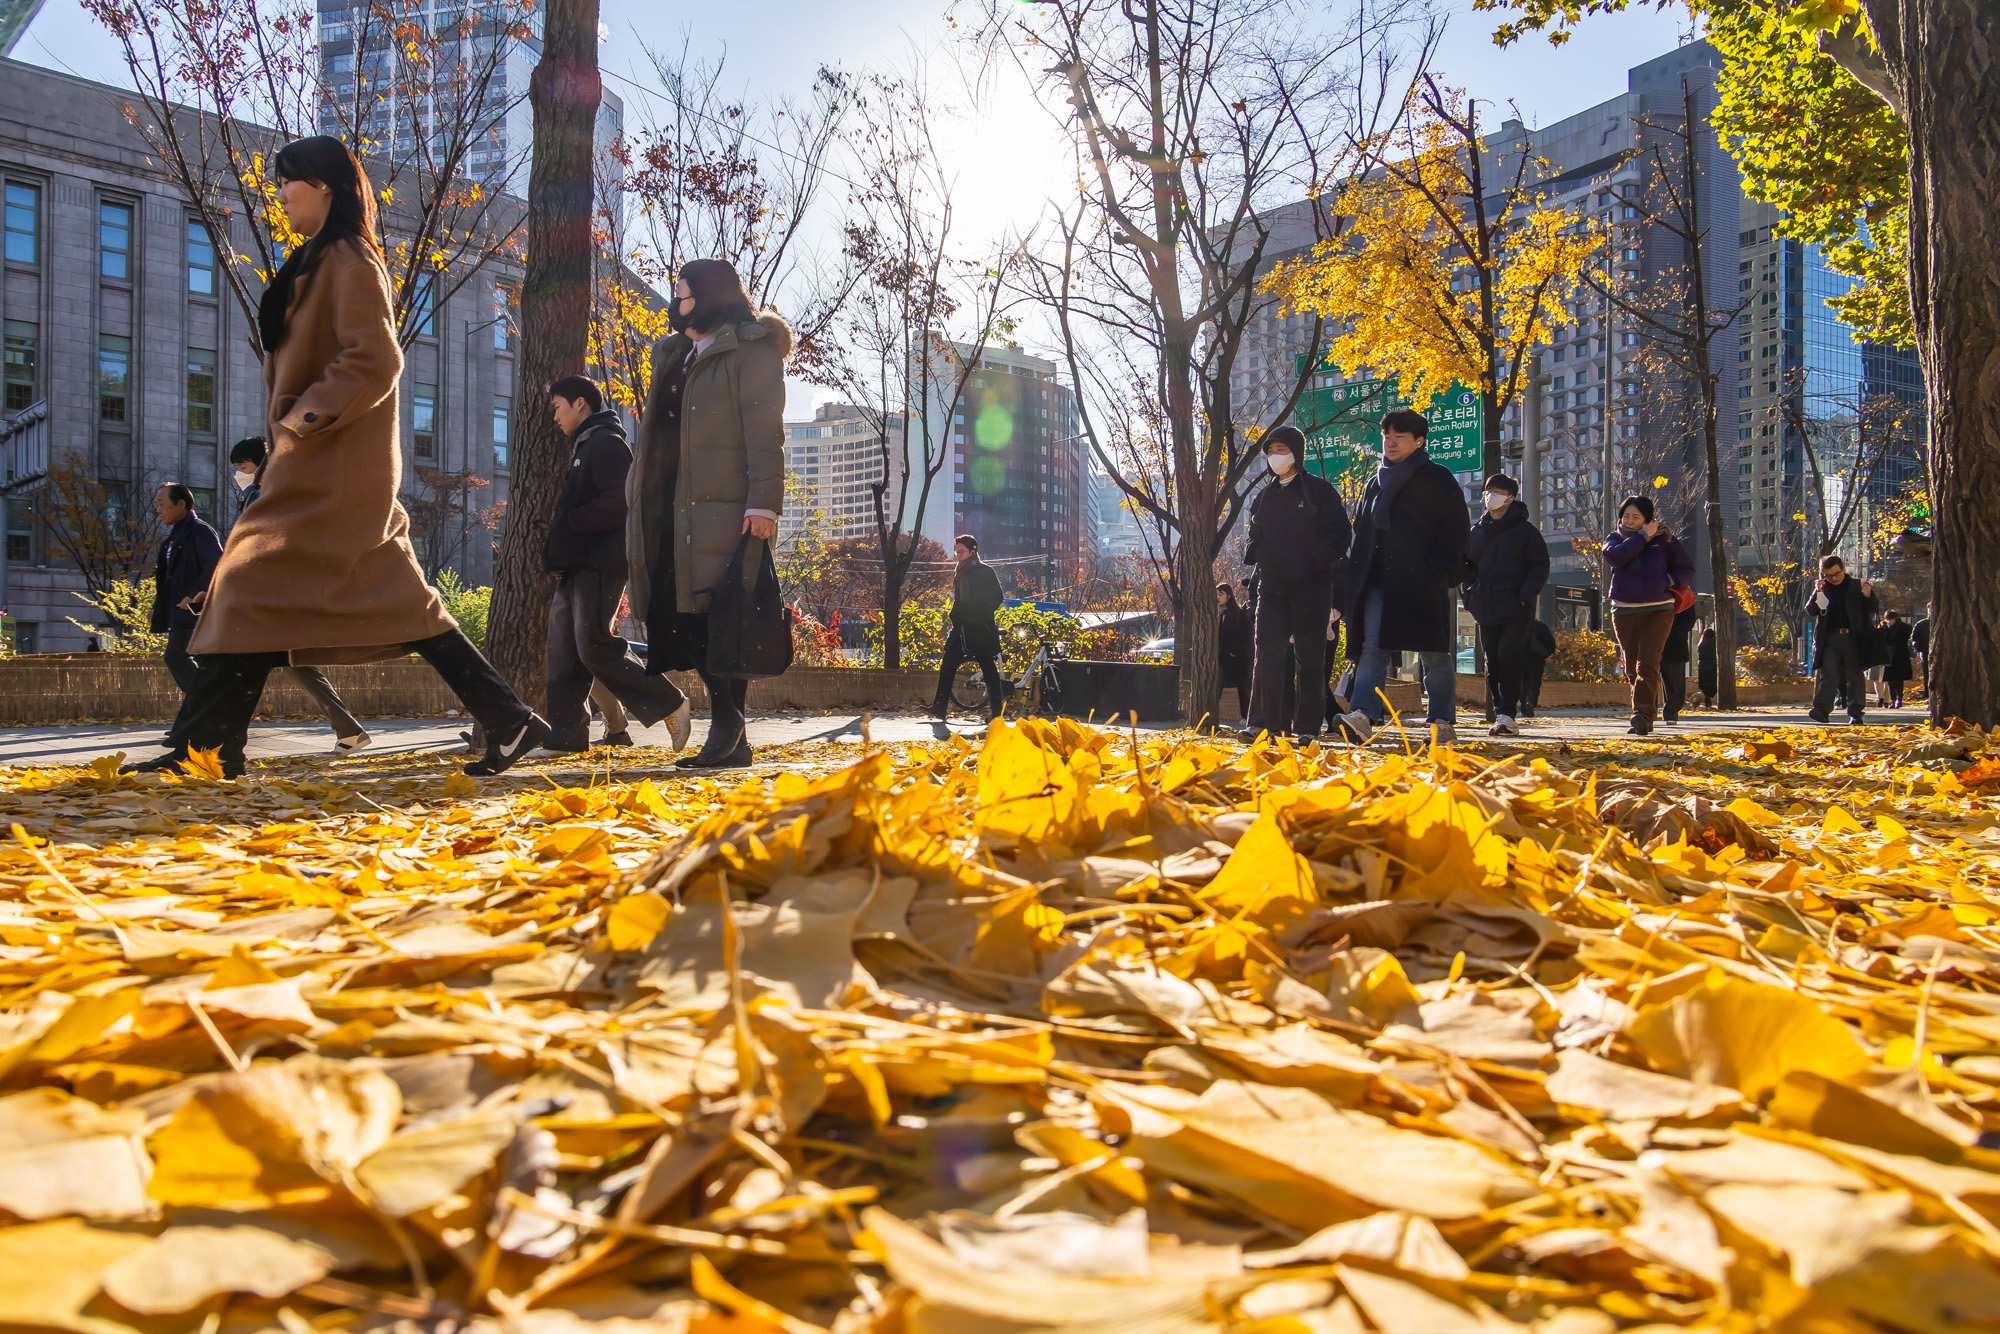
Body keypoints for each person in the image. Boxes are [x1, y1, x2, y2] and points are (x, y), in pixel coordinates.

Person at [125, 136, 547, 779]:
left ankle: (202, 749)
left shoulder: (350, 260)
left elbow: (375, 358)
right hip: (322, 466)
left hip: (333, 469)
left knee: (245, 586)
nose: (281, 195)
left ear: (324, 185)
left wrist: (299, 423)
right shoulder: (320, 260)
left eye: (289, 182)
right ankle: (511, 720)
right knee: (391, 603)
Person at [628, 257, 788, 770]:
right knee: (678, 617)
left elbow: (765, 434)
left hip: (726, 511)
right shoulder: (672, 354)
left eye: (686, 294)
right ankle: (732, 733)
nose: (677, 303)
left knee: (724, 618)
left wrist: (764, 503)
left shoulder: (749, 348)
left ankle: (726, 726)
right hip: (669, 509)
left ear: (713, 295)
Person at [541, 376, 693, 755]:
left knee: (593, 645)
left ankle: (669, 702)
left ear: (580, 404)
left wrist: (570, 522)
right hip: (577, 564)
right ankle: (566, 737)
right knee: (564, 649)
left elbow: (619, 502)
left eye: (558, 406)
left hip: (598, 563)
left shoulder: (606, 443)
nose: (554, 416)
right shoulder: (586, 445)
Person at [227, 435, 372, 754]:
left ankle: (226, 739)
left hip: (270, 596)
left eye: (244, 466)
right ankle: (349, 730)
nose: (239, 473)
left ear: (261, 464)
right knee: (294, 663)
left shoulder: (261, 495)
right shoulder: (281, 490)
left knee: (245, 665)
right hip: (280, 593)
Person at [1332, 410, 1469, 745]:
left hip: (1423, 580)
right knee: (1372, 648)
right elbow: (1361, 533)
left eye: (1400, 437)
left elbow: (1456, 529)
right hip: (1380, 581)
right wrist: (1355, 578)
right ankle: (1363, 715)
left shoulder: (1438, 478)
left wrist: (1437, 568)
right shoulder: (1374, 482)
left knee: (1433, 653)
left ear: (1419, 441)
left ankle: (1441, 722)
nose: (1390, 443)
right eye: (1386, 436)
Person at [1242, 426, 1351, 741]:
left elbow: (1341, 533)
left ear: (1296, 453)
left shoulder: (1320, 491)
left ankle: (1306, 729)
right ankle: (1261, 725)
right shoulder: (1263, 497)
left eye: (1281, 449)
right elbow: (1255, 535)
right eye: (1270, 451)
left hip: (1312, 587)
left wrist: (1316, 561)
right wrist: (1259, 555)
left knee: (1310, 658)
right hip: (1272, 587)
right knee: (1266, 653)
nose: (1275, 456)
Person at [1460, 473, 1547, 737]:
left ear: (1510, 498)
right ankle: (1501, 711)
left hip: (1516, 609)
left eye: (1495, 492)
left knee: (1510, 657)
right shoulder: (1476, 532)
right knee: (1493, 663)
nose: (1489, 497)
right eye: (1487, 491)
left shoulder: (1526, 533)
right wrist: (1469, 596)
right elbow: (1466, 568)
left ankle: (1508, 713)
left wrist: (1525, 595)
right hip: (1485, 608)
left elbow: (1539, 567)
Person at [1601, 495, 1693, 736]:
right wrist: (1643, 536)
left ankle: (1641, 714)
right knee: (1632, 666)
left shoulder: (1665, 540)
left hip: (1659, 609)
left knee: (1648, 663)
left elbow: (1687, 568)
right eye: (1626, 516)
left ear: (1647, 519)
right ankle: (1646, 714)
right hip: (1624, 610)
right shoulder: (1614, 539)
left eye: (1636, 517)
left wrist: (1669, 580)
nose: (1629, 521)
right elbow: (1616, 558)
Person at [147, 483, 221, 692]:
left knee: (176, 656)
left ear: (181, 504)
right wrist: (157, 606)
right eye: (156, 505)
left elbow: (215, 565)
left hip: (196, 611)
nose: (158, 510)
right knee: (200, 663)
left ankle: (205, 708)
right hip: (178, 613)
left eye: (162, 504)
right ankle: (206, 714)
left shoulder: (200, 531)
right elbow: (165, 582)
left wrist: (193, 595)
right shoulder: (170, 541)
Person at [929, 534, 1005, 722]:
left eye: (961, 552)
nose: (958, 555)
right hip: (961, 628)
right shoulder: (959, 571)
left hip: (980, 628)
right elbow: (960, 599)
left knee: (988, 670)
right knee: (947, 665)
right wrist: (955, 616)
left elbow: (997, 597)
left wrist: (980, 616)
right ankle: (939, 707)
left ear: (973, 551)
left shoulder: (986, 571)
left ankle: (997, 714)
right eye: (956, 552)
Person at [1804, 554, 1883, 725]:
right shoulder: (1823, 588)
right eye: (1828, 575)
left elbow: (1873, 608)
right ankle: (1822, 710)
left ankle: (1856, 713)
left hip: (1853, 637)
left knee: (1855, 675)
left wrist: (1869, 595)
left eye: (1836, 574)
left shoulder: (1857, 585)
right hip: (1830, 638)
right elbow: (1811, 611)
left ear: (1843, 569)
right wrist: (1817, 592)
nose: (1833, 578)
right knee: (1828, 672)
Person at [1216, 581, 1252, 724]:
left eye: (1221, 594)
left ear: (1229, 596)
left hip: (1236, 659)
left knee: (1242, 687)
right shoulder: (1221, 613)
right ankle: (1209, 713)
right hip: (1223, 657)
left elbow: (1244, 635)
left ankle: (1246, 716)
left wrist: (1233, 651)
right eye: (1216, 594)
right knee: (1217, 685)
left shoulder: (1238, 613)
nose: (1218, 597)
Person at [1659, 602, 1698, 723]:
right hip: (1673, 645)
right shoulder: (1682, 594)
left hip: (1673, 646)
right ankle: (1648, 713)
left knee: (1674, 682)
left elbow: (1688, 619)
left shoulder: (1682, 594)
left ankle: (1669, 712)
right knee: (1673, 682)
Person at [1879, 608, 1914, 708]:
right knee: (1891, 679)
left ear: (1894, 619)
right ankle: (1893, 699)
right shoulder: (1889, 629)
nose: (1888, 622)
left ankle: (1898, 699)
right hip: (1891, 655)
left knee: (1898, 679)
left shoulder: (1902, 628)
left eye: (1890, 620)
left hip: (1899, 655)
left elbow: (1903, 635)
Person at [1522, 619, 1556, 718]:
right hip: (1536, 659)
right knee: (1534, 683)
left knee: (1522, 683)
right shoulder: (1540, 626)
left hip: (1520, 658)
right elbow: (1550, 643)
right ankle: (1531, 702)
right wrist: (1547, 654)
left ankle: (1523, 706)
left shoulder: (1516, 625)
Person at [1697, 625, 1718, 707]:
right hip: (1712, 665)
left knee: (1704, 683)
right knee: (1712, 682)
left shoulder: (1701, 644)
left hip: (1703, 665)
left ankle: (1707, 698)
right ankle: (1711, 697)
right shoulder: (1715, 644)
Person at [1913, 613, 1931, 695]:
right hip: (1925, 652)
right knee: (1927, 674)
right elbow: (1915, 639)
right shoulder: (1921, 624)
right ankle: (1928, 694)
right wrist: (1918, 650)